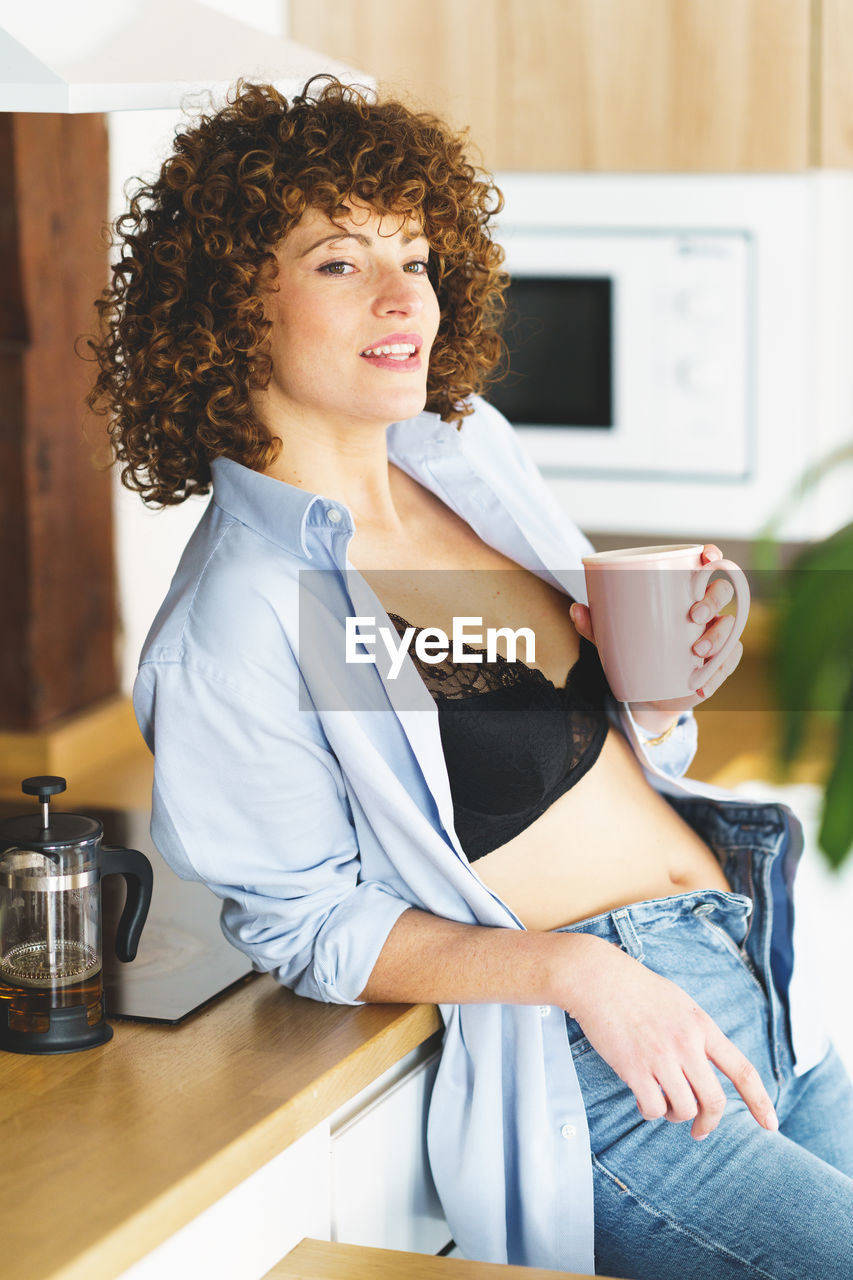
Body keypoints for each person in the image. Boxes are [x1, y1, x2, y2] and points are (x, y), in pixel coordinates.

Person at [88, 76, 853, 1278]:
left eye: (416, 253)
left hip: (750, 973)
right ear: (235, 301)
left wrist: (651, 696)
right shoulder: (243, 607)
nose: (405, 299)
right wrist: (578, 969)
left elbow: (551, 747)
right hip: (611, 1067)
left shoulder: (462, 455)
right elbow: (305, 922)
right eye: (342, 262)